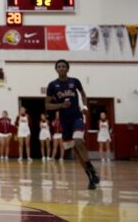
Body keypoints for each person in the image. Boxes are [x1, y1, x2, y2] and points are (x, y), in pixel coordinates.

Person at [45, 59, 100, 189]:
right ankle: (90, 177)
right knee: (76, 150)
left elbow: (83, 94)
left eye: (64, 66)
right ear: (56, 69)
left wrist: (85, 106)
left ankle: (91, 169)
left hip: (77, 117)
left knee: (78, 141)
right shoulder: (52, 85)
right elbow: (47, 106)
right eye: (59, 66)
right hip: (65, 121)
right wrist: (61, 105)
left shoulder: (74, 81)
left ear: (67, 69)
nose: (61, 68)